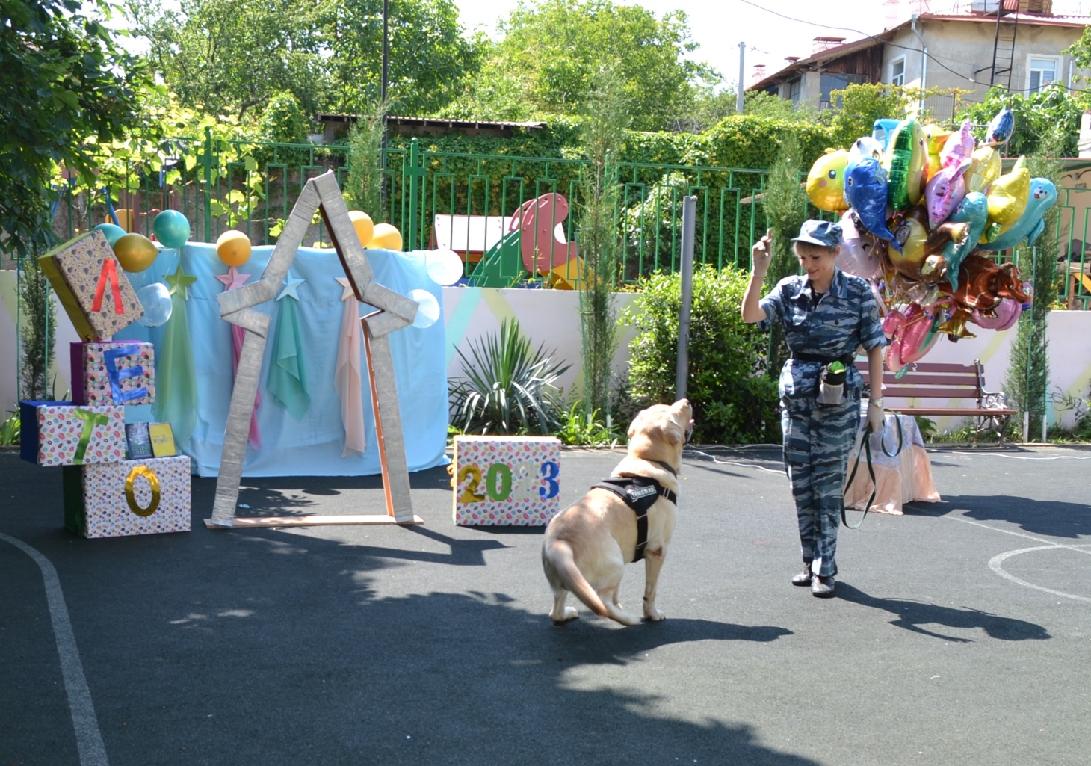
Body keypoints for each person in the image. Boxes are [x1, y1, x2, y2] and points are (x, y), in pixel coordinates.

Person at [741, 220, 886, 598]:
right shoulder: (789, 290)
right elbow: (751, 315)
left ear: (837, 253)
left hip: (838, 400)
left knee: (828, 483)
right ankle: (810, 559)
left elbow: (875, 347)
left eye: (816, 257)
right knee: (800, 484)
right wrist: (758, 272)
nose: (809, 264)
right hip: (797, 399)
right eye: (803, 257)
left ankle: (826, 565)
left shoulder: (858, 294)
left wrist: (876, 403)